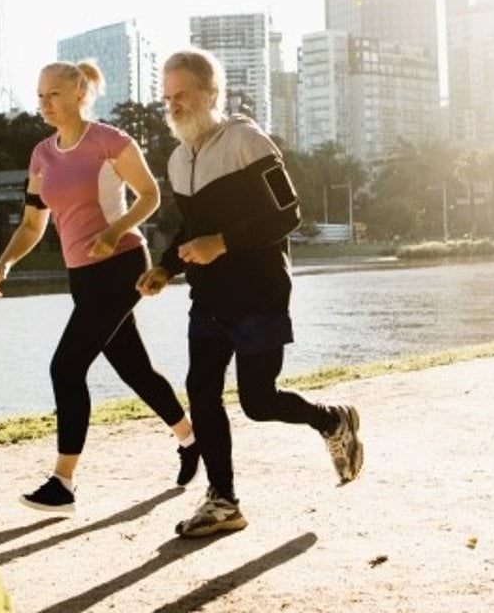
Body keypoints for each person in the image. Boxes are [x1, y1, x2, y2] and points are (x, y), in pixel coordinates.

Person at [137, 48, 363, 539]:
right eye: (168, 98)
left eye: (184, 95)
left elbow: (287, 214)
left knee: (258, 402)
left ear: (210, 94)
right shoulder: (179, 159)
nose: (174, 105)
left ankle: (332, 421)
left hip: (259, 290)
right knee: (202, 391)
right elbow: (190, 229)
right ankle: (223, 500)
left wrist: (221, 242)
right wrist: (166, 267)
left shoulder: (246, 140)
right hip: (210, 299)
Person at [0, 60, 198, 514]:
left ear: (79, 93)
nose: (44, 103)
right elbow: (31, 224)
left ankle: (62, 482)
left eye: (54, 95)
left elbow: (150, 195)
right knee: (134, 369)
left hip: (121, 265)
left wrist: (112, 230)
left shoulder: (109, 141)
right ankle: (191, 438)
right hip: (81, 275)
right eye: (40, 95)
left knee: (66, 367)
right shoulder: (42, 154)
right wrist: (4, 264)